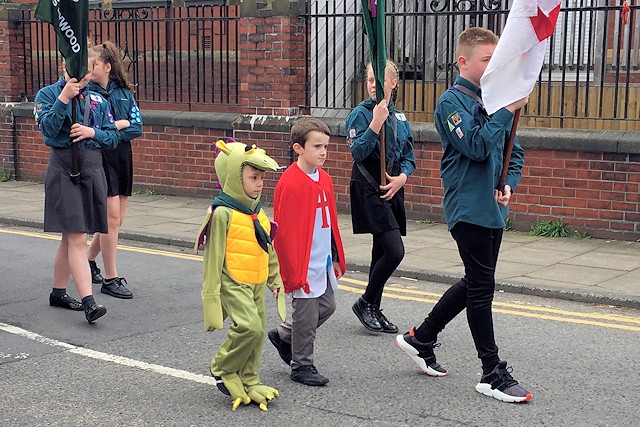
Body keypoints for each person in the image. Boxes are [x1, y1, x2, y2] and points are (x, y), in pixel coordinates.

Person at [395, 27, 532, 403]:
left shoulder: (495, 100)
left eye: (495, 60)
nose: (492, 67)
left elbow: (512, 154)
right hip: (467, 207)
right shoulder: (450, 102)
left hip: (492, 208)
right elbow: (474, 145)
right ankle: (492, 371)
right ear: (463, 61)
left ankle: (420, 338)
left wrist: (509, 184)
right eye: (487, 60)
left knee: (475, 281)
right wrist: (505, 110)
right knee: (482, 287)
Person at [195, 139, 286, 412]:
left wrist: (275, 279)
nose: (259, 183)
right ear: (235, 177)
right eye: (253, 177)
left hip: (257, 281)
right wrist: (211, 298)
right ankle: (223, 367)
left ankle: (250, 379)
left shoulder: (258, 213)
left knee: (257, 337)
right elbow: (212, 260)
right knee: (250, 327)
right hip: (233, 282)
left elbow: (268, 248)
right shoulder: (222, 213)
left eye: (261, 178)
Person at [34, 50, 119, 324]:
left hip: (91, 167)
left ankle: (58, 292)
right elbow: (47, 128)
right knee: (78, 237)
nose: (82, 74)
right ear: (63, 64)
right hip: (63, 167)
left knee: (70, 237)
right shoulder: (47, 94)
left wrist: (93, 132)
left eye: (86, 69)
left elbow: (113, 137)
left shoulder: (97, 98)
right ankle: (89, 302)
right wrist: (64, 99)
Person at [267, 117, 346, 386]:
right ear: (298, 148)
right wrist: (284, 272)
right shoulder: (290, 182)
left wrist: (334, 257)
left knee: (327, 305)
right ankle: (302, 365)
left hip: (321, 259)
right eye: (317, 146)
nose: (323, 152)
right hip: (302, 262)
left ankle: (284, 335)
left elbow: (330, 222)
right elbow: (285, 234)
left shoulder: (323, 178)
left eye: (326, 146)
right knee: (307, 313)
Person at [345, 60, 416, 333]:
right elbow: (357, 152)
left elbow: (409, 156)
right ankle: (365, 302)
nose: (374, 85)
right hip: (369, 185)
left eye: (380, 80)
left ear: (394, 83)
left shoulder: (400, 118)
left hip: (392, 187)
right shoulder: (360, 114)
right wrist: (375, 124)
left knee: (382, 251)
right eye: (370, 79)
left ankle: (373, 306)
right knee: (395, 251)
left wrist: (403, 177)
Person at [86, 41, 143, 299]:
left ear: (107, 67)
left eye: (94, 63)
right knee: (110, 220)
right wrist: (117, 126)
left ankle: (88, 260)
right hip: (101, 157)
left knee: (116, 220)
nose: (90, 67)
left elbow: (137, 126)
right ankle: (111, 278)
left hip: (122, 156)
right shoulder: (88, 93)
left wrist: (116, 128)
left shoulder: (124, 93)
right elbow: (95, 129)